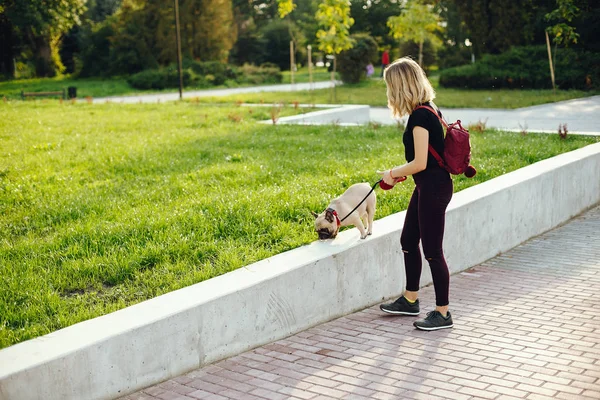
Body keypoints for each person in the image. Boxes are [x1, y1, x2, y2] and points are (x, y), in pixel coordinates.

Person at [377, 57, 454, 331]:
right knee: (408, 239)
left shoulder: (421, 115)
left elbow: (420, 162)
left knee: (433, 251)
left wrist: (393, 173)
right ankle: (410, 300)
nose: (388, 93)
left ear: (401, 86)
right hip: (427, 185)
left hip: (433, 188)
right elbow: (425, 162)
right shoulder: (427, 109)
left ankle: (443, 314)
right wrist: (404, 174)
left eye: (390, 87)